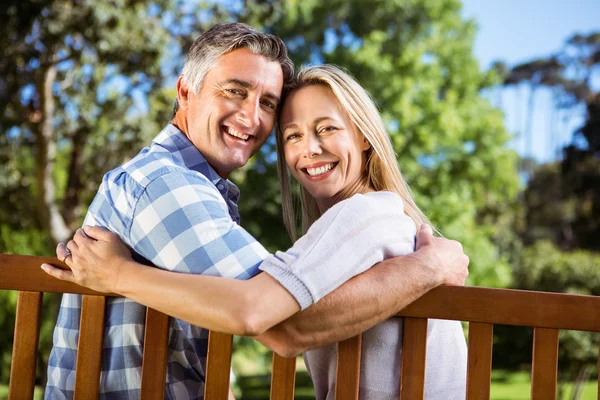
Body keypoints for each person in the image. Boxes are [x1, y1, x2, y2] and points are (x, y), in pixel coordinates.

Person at [43, 63, 468, 399]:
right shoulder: (389, 221)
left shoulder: (365, 215)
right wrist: (430, 264)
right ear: (185, 91)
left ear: (364, 138)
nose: (310, 148)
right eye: (293, 135)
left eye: (328, 128)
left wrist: (117, 276)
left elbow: (277, 325)